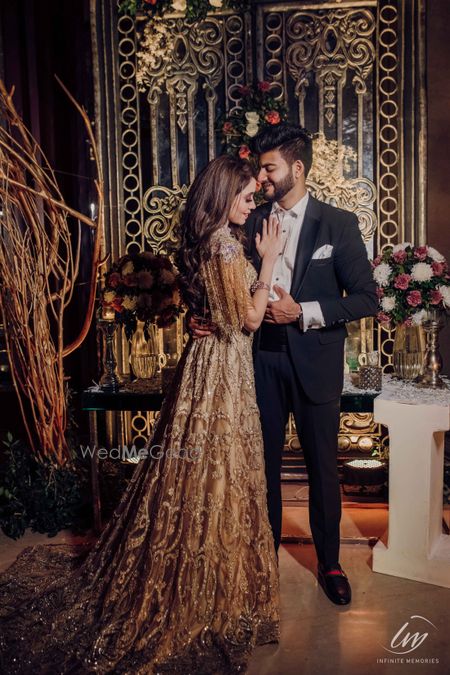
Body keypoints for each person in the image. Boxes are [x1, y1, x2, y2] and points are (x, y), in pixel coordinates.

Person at [0, 155, 282, 674]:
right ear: (222, 196)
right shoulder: (224, 245)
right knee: (211, 474)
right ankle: (204, 593)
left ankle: (215, 580)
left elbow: (219, 312)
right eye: (245, 194)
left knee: (203, 475)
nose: (251, 202)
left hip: (210, 370)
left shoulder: (216, 244)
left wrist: (249, 283)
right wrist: (268, 262)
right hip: (220, 375)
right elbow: (246, 320)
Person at [191, 124, 378, 606]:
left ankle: (331, 562)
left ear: (296, 168)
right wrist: (202, 316)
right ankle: (263, 560)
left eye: (269, 167)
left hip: (315, 361)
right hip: (260, 362)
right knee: (262, 467)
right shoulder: (247, 220)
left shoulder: (337, 224)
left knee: (322, 470)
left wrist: (305, 313)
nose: (261, 177)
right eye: (259, 168)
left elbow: (366, 299)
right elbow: (216, 273)